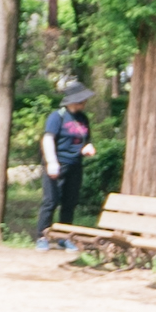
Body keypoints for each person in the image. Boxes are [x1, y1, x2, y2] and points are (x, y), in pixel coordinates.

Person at [35, 75, 92, 247]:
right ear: (74, 100)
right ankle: (42, 236)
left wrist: (86, 148)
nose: (84, 103)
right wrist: (52, 162)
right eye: (82, 100)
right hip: (57, 165)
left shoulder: (83, 118)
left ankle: (64, 237)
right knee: (51, 201)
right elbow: (48, 139)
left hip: (75, 166)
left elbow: (84, 140)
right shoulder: (57, 117)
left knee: (70, 202)